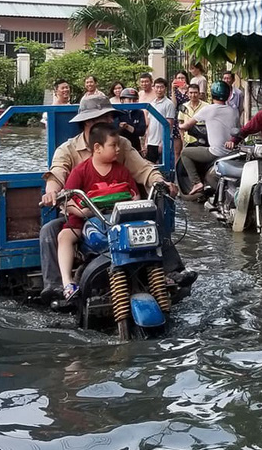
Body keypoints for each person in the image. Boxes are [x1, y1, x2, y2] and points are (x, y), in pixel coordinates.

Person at [38, 94, 180, 298]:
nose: (110, 122)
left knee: (153, 214)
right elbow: (57, 172)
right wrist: (52, 191)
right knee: (49, 231)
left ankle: (171, 270)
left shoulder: (119, 145)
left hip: (119, 212)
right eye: (105, 118)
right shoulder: (68, 149)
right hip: (85, 213)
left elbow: (143, 168)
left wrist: (160, 182)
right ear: (89, 122)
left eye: (110, 117)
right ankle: (57, 286)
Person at [56, 123, 139, 301]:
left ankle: (161, 272)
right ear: (97, 148)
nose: (118, 149)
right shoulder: (81, 171)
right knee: (64, 237)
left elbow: (135, 196)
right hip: (88, 217)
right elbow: (66, 200)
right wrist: (81, 211)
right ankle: (67, 283)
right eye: (113, 145)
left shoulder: (121, 170)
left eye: (118, 145)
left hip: (118, 219)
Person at [179, 81, 240, 195]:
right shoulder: (234, 111)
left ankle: (196, 182)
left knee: (185, 153)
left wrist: (179, 126)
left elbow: (187, 125)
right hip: (232, 152)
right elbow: (236, 128)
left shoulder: (208, 109)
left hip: (215, 153)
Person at [143, 77, 177, 163]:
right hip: (151, 142)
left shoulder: (169, 104)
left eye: (161, 87)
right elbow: (149, 124)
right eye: (157, 87)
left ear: (165, 88)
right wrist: (146, 141)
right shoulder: (151, 104)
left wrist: (163, 142)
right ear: (153, 88)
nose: (159, 90)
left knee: (163, 169)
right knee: (149, 167)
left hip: (161, 143)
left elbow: (169, 124)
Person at [177, 82, 208, 146]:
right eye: (191, 93)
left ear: (199, 94)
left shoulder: (206, 106)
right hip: (187, 141)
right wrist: (183, 139)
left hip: (203, 140)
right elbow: (180, 123)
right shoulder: (184, 106)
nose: (193, 95)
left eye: (195, 93)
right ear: (187, 94)